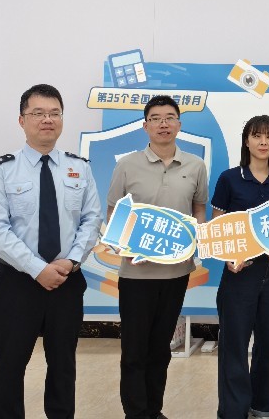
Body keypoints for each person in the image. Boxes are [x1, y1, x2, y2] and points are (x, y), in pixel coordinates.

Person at [0, 83, 102, 419]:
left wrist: (71, 260)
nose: (47, 119)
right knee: (9, 365)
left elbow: (92, 219)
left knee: (63, 366)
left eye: (54, 113)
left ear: (62, 119)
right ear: (22, 120)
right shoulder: (2, 170)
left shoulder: (80, 167)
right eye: (38, 113)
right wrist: (38, 269)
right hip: (17, 283)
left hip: (66, 279)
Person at [107, 95, 208, 419]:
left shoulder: (195, 165)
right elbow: (114, 213)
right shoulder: (127, 165)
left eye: (169, 118)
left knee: (160, 347)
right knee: (134, 350)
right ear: (145, 125)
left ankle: (154, 409)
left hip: (176, 273)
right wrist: (123, 244)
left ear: (179, 124)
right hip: (136, 274)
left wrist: (197, 238)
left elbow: (198, 209)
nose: (163, 124)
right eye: (156, 118)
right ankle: (135, 412)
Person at [212, 115, 269, 419]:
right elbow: (218, 225)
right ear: (246, 141)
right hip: (240, 274)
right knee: (234, 345)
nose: (263, 142)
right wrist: (228, 256)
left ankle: (263, 407)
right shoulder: (229, 178)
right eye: (257, 136)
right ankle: (233, 411)